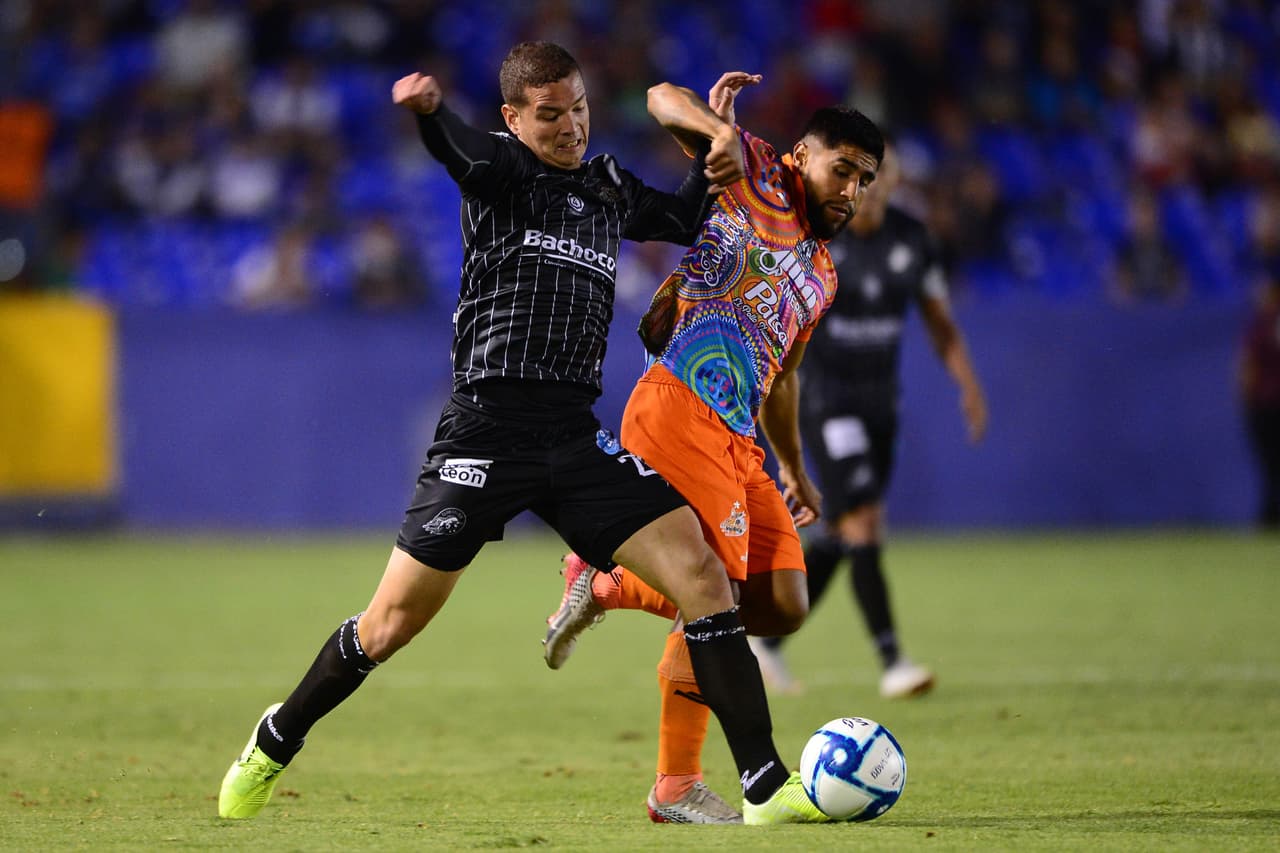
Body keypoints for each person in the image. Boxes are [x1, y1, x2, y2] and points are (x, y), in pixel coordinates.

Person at [216, 42, 817, 826]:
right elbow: (459, 153)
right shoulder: (501, 172)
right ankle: (273, 739)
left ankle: (765, 784)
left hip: (571, 437)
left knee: (706, 579)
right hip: (484, 433)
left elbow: (677, 216)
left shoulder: (603, 187)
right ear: (513, 119)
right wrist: (432, 115)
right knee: (389, 625)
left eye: (579, 109)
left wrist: (715, 145)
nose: (570, 127)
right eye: (549, 115)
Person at [542, 72, 885, 823]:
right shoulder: (755, 171)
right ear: (802, 155)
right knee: (715, 599)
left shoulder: (822, 275)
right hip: (677, 407)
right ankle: (676, 787)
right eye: (842, 169)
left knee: (783, 600)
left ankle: (600, 579)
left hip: (739, 437)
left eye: (865, 179)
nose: (852, 190)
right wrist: (718, 131)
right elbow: (660, 95)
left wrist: (794, 467)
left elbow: (784, 379)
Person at [750, 143, 988, 698]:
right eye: (856, 176)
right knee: (864, 523)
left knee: (841, 533)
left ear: (892, 182)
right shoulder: (816, 239)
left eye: (877, 177)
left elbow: (939, 322)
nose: (867, 187)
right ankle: (893, 661)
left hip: (882, 403)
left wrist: (968, 384)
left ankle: (765, 640)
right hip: (827, 402)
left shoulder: (913, 240)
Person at [1240, 274, 1280, 529]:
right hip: (1265, 403)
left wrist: (1246, 396)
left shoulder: (1263, 324)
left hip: (1264, 403)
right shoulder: (1261, 324)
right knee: (1270, 463)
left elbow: (1246, 366)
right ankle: (1269, 514)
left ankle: (1269, 515)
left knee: (1270, 462)